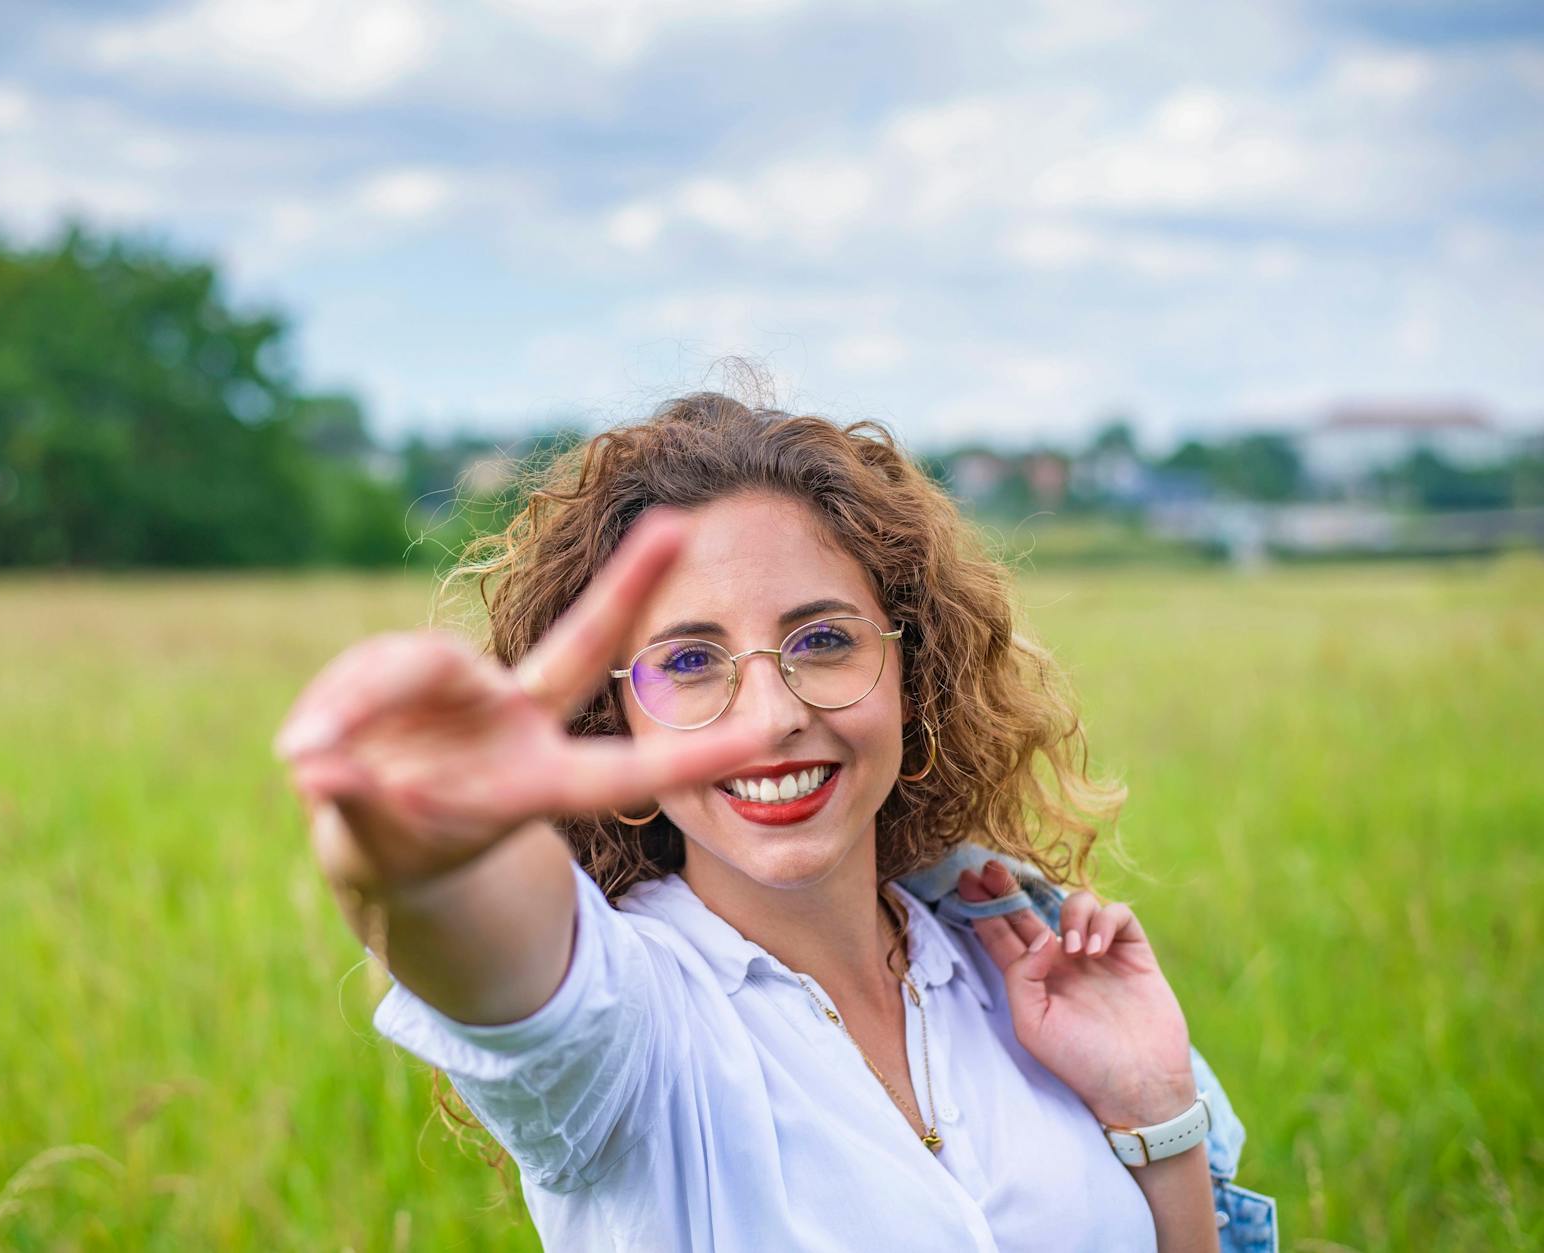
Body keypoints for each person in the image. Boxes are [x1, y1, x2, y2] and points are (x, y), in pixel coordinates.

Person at [275, 392, 1278, 1251]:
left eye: (823, 639)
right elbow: (488, 945)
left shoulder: (1013, 963)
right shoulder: (634, 1034)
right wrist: (428, 845)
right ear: (609, 712)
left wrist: (1153, 1113)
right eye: (689, 659)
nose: (773, 714)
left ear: (910, 672)